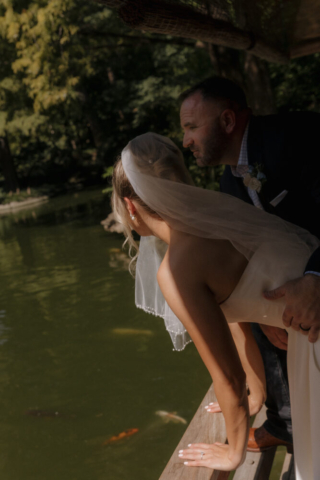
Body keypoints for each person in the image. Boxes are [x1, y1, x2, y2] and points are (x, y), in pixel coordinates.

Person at [112, 132, 320, 479]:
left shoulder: (177, 269)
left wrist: (233, 452)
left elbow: (226, 376)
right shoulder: (216, 217)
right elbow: (239, 326)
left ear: (130, 205)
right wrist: (255, 396)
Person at [179, 77, 320, 454]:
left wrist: (316, 279)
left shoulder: (294, 138)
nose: (185, 141)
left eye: (192, 127)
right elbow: (255, 255)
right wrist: (262, 313)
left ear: (227, 121)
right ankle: (286, 423)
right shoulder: (230, 183)